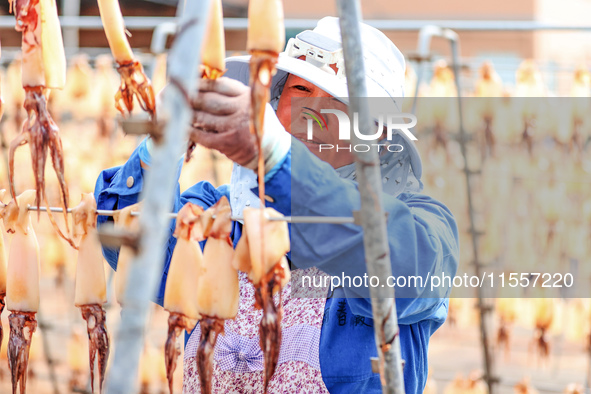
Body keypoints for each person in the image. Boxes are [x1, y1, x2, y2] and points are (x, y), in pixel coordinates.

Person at [95, 17, 459, 393]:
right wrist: (166, 138)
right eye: (299, 90)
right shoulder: (220, 218)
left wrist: (278, 158)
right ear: (272, 103)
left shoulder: (422, 226)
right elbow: (129, 243)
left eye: (338, 103)